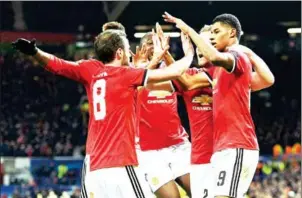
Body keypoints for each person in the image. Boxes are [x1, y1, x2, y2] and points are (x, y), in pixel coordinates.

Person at [12, 29, 194, 198]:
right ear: (120, 53)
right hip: (121, 162)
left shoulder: (90, 70)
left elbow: (58, 65)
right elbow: (176, 71)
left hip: (92, 165)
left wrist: (35, 51)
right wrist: (189, 53)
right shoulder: (126, 74)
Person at [163, 12, 275, 198]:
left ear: (231, 33)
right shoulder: (217, 72)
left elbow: (267, 79)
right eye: (210, 35)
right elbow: (185, 82)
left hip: (236, 145)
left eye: (216, 33)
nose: (211, 39)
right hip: (218, 151)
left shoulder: (234, 57)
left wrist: (188, 30)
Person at [133, 26, 192, 198]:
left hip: (178, 145)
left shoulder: (171, 70)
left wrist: (166, 54)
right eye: (150, 43)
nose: (154, 46)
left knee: (201, 192)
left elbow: (187, 80)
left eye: (157, 42)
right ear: (141, 48)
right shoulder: (131, 71)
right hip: (148, 152)